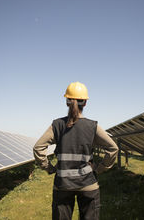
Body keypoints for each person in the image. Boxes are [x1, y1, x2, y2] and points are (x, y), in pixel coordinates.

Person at [33, 82, 119, 220]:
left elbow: (38, 147)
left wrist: (48, 167)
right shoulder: (92, 126)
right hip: (88, 184)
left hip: (62, 185)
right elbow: (113, 148)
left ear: (67, 102)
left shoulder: (57, 125)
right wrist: (99, 168)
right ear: (84, 103)